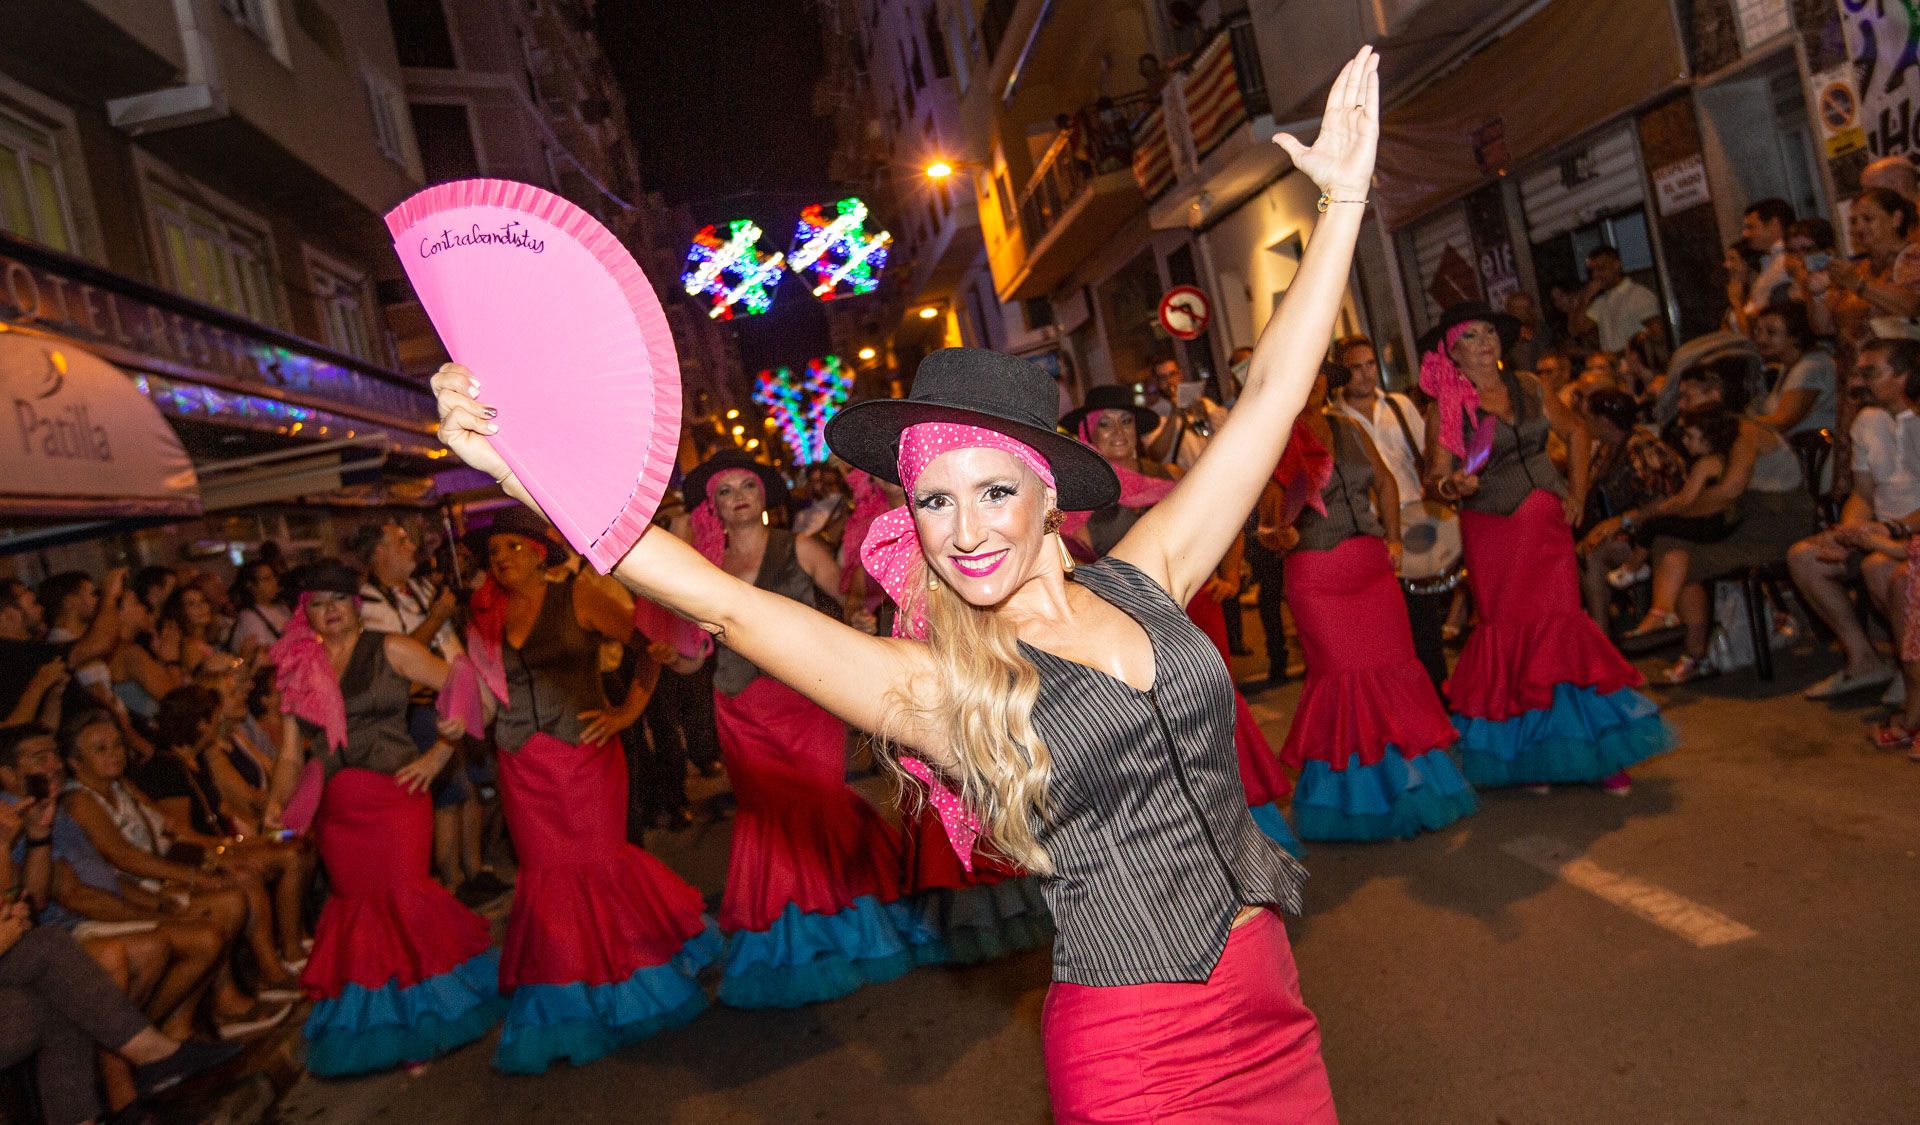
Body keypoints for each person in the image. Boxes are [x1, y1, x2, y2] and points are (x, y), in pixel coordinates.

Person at [430, 46, 1383, 1119]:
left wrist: (1343, 195)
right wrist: (530, 466)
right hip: (1135, 1047)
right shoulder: (937, 688)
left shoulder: (1150, 576)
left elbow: (1269, 406)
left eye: (988, 495)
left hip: (1271, 1001)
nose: (964, 530)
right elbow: (725, 602)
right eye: (933, 502)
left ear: (1043, 498)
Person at [669, 451, 941, 1007]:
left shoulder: (799, 548)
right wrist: (669, 653)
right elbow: (691, 657)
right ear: (712, 506)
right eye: (726, 490)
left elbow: (847, 607)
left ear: (765, 496)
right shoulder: (702, 565)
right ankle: (797, 933)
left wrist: (864, 636)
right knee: (769, 814)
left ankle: (855, 913)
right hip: (739, 706)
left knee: (819, 800)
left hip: (806, 696)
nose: (740, 495)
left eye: (749, 484)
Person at [464, 510, 720, 1071]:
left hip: (584, 761)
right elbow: (482, 695)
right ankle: (571, 991)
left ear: (538, 549)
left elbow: (649, 646)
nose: (501, 559)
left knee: (598, 865)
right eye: (492, 553)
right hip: (520, 769)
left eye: (512, 546)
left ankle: (628, 975)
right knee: (549, 879)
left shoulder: (579, 594)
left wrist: (628, 712)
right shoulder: (484, 615)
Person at [262, 559, 503, 1076]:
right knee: (359, 910)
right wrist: (275, 804)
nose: (328, 612)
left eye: (336, 601)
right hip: (337, 811)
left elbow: (472, 693)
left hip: (396, 796)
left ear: (355, 604)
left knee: (400, 899)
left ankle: (427, 1017)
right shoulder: (299, 667)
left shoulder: (390, 648)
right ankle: (389, 1025)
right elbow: (288, 754)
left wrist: (440, 752)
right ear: (305, 612)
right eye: (316, 604)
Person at [1422, 300, 1673, 794]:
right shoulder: (1447, 405)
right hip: (1493, 535)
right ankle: (1532, 753)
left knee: (1560, 635)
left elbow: (1577, 432)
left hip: (1547, 533)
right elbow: (1435, 477)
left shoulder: (1532, 387)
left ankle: (1596, 752)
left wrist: (1577, 494)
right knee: (1514, 640)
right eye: (1470, 335)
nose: (1485, 341)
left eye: (1489, 332)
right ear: (1451, 351)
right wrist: (1452, 488)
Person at [1061, 384, 1304, 856]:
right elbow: (1071, 563)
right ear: (1088, 433)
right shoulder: (1079, 497)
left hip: (1194, 612)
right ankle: (1194, 843)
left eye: (1125, 421)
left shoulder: (1169, 474)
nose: (1117, 433)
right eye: (1104, 423)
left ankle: (1248, 835)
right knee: (1162, 726)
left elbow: (1227, 511)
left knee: (1216, 711)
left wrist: (1230, 573)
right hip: (1132, 625)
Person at [1264, 363, 1473, 841]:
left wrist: (1395, 540)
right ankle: (1366, 799)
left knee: (1395, 671)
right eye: (1304, 371)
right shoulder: (1272, 435)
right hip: (1317, 574)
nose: (1311, 380)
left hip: (1372, 567)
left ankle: (1413, 786)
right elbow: (1268, 510)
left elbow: (1385, 481)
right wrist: (1278, 533)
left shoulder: (1347, 425)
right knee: (1345, 681)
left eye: (1318, 373)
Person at [58, 708, 294, 1039]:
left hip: (160, 875)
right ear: (75, 762)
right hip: (134, 890)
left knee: (239, 880)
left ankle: (245, 987)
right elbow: (125, 857)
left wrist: (224, 851)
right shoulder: (79, 801)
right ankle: (205, 1012)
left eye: (116, 745)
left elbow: (173, 829)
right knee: (226, 901)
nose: (114, 753)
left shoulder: (122, 786)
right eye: (100, 749)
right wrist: (200, 876)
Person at [1611, 392, 1811, 685]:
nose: (1681, 402)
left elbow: (1727, 493)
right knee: (1669, 543)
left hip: (1775, 524)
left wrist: (1671, 516)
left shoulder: (1746, 433)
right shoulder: (1715, 452)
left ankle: (1682, 638)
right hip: (1746, 519)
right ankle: (1674, 627)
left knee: (1680, 554)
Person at [350, 519, 501, 904]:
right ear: (378, 552)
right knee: (450, 794)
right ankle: (451, 883)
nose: (411, 547)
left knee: (472, 790)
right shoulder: (367, 603)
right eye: (400, 540)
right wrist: (436, 616)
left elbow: (447, 644)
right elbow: (395, 658)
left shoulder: (416, 589)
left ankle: (474, 871)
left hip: (455, 697)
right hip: (419, 709)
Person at [1789, 336, 1920, 700]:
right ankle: (1863, 660)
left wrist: (1890, 530)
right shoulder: (1866, 421)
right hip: (1884, 530)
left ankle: (1909, 672)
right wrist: (1848, 532)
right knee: (1804, 557)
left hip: (1907, 532)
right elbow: (1862, 494)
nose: (1858, 382)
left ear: (1905, 376)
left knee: (1878, 567)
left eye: (1871, 372)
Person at [1331, 332, 1452, 688]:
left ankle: (1438, 695)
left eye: (1371, 365)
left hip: (1413, 516)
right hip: (1369, 525)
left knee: (1425, 618)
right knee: (1385, 623)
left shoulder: (1398, 405)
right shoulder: (1335, 418)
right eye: (1356, 368)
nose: (1366, 374)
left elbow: (1428, 456)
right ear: (1342, 373)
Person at [1576, 389, 1688, 625]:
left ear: (1604, 421)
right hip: (1616, 525)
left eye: (1588, 418)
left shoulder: (1642, 448)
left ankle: (1601, 632)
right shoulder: (1605, 449)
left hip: (1651, 530)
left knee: (1591, 555)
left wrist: (1621, 521)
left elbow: (1666, 500)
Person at [1818, 188, 1920, 345]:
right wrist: (1814, 294)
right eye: (1853, 222)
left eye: (1868, 219)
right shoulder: (1857, 269)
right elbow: (1824, 328)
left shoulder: (1914, 256)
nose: (1858, 228)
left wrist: (1858, 284)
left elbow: (1913, 306)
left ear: (1896, 219)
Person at [1750, 300, 1837, 439]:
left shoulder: (1811, 366)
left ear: (1796, 336)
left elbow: (1782, 421)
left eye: (1771, 333)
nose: (1761, 338)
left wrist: (1737, 426)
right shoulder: (1789, 365)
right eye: (1757, 330)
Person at [1561, 245, 1662, 353]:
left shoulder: (1638, 294)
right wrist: (1585, 298)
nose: (1595, 275)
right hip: (1613, 365)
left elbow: (1657, 333)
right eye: (1592, 271)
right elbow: (1576, 330)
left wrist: (1630, 352)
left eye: (1601, 268)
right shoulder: (1601, 301)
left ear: (1617, 265)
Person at [1143, 357, 1229, 471]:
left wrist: (1206, 414)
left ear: (1180, 375)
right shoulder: (1152, 414)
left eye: (1172, 374)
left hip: (1214, 470)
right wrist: (1174, 413)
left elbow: (1227, 436)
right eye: (1163, 377)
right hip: (1182, 480)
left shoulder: (1203, 402)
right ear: (1156, 381)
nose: (1169, 381)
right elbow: (1156, 456)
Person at [1725, 197, 1795, 332]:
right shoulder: (1768, 262)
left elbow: (1762, 324)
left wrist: (1737, 302)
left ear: (1774, 225)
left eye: (1751, 227)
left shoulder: (1786, 263)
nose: (1745, 234)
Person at [226, 559, 290, 660]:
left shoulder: (283, 609)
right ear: (251, 585)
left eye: (273, 576)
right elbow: (263, 652)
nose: (274, 582)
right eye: (266, 579)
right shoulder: (249, 617)